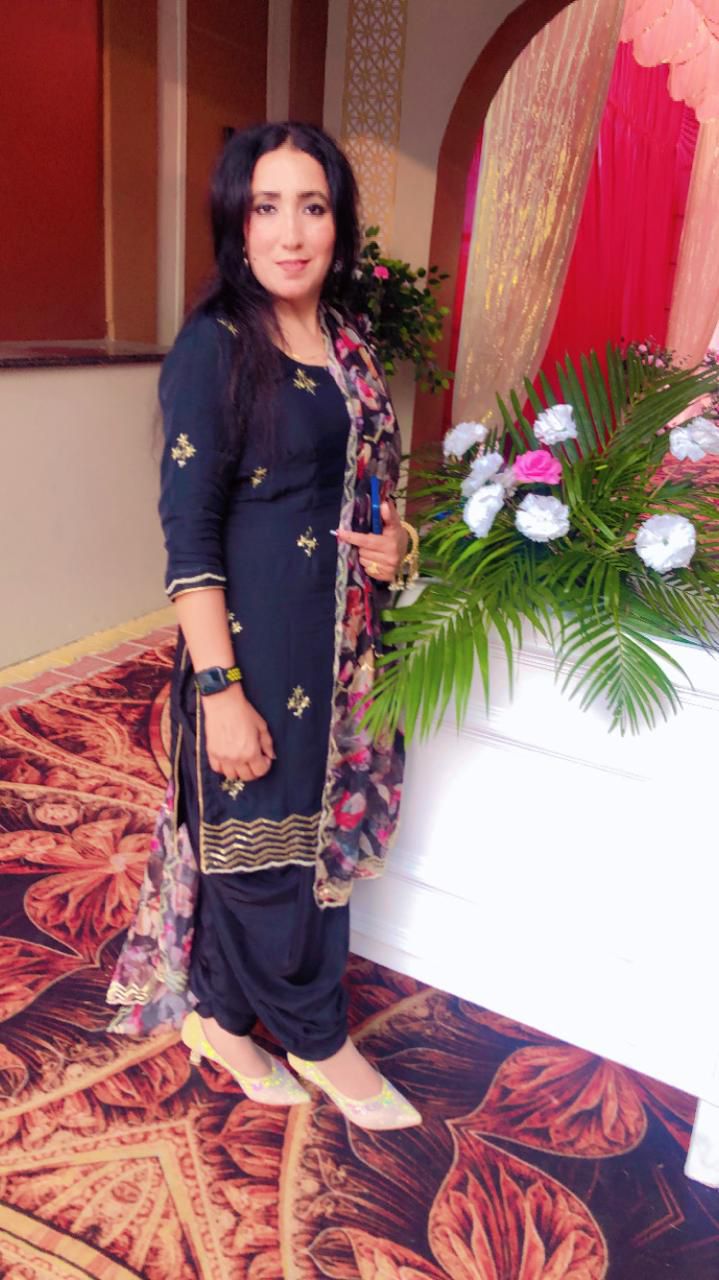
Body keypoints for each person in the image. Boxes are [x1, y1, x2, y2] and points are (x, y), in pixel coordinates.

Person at [110, 123, 421, 1131]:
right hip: (250, 652)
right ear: (235, 224)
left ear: (339, 223)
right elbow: (189, 537)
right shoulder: (216, 347)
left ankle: (220, 1018)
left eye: (312, 207)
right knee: (261, 861)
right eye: (266, 207)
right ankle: (318, 1037)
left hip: (341, 652)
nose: (291, 233)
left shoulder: (345, 343)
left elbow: (369, 491)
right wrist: (219, 692)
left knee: (306, 854)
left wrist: (399, 542)